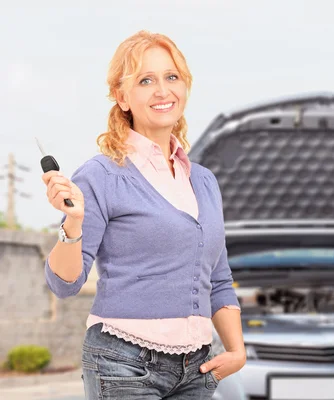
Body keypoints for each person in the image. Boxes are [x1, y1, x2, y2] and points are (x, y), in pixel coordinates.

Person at [41, 30, 245, 399]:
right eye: (145, 80)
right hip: (123, 364)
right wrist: (72, 224)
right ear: (122, 97)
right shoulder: (101, 174)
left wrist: (237, 351)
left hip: (197, 368)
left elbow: (218, 279)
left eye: (172, 77)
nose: (162, 91)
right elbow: (64, 284)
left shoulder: (203, 180)